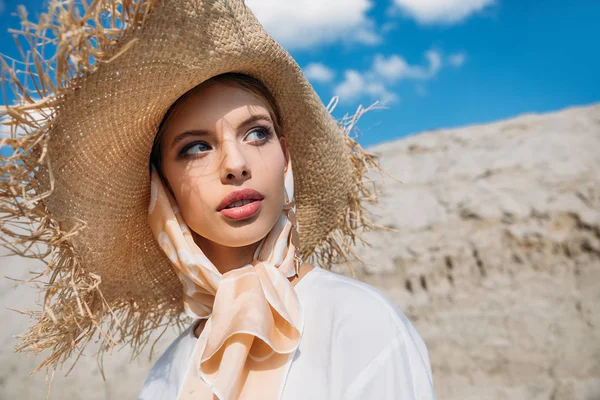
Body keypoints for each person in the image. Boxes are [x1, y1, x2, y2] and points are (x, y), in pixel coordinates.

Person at [0, 0, 437, 399]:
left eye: (256, 133)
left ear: (285, 155)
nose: (235, 163)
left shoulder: (358, 323)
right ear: (162, 190)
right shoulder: (166, 377)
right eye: (196, 147)